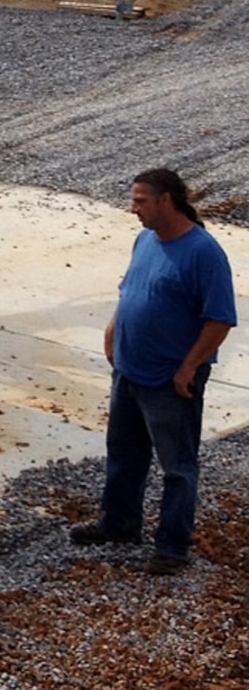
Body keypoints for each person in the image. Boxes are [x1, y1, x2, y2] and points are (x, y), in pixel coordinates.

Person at [70, 168, 236, 574]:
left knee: (177, 466)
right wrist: (113, 331)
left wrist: (188, 368)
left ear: (167, 201)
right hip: (129, 371)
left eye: (141, 201)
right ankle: (120, 523)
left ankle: (173, 546)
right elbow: (130, 290)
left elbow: (220, 319)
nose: (133, 209)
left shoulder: (204, 253)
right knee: (125, 453)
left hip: (169, 381)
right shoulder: (145, 240)